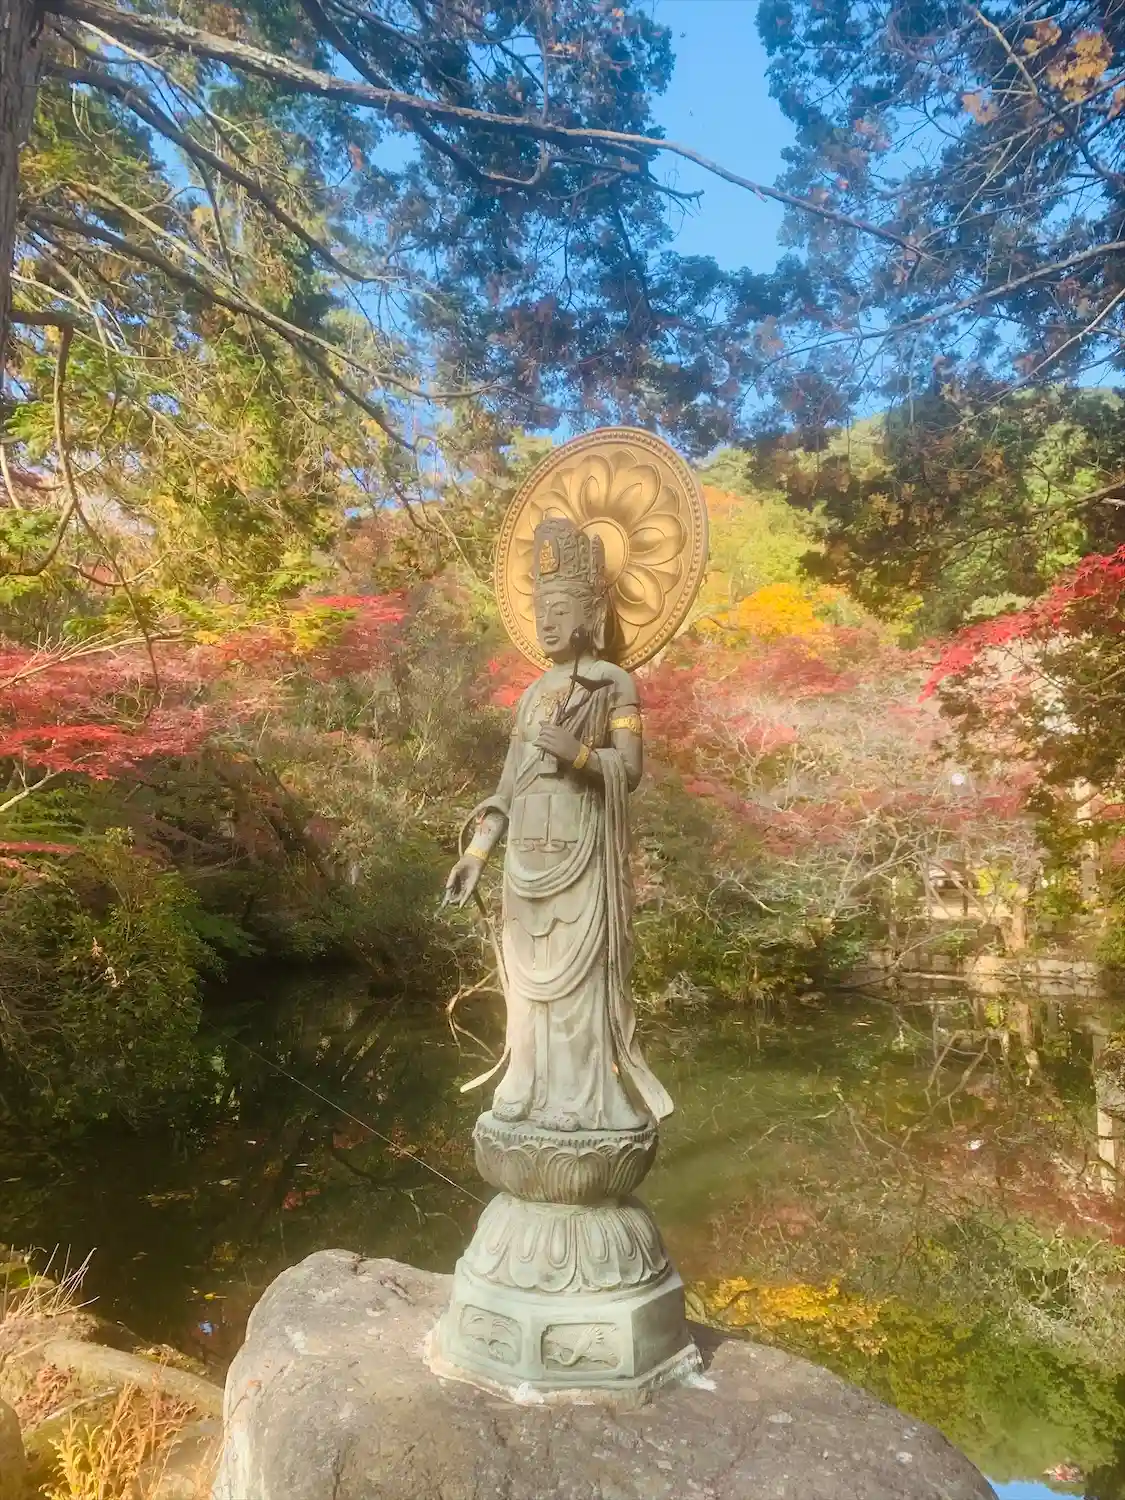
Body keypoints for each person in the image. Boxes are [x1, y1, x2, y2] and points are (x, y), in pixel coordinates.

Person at [444, 515, 672, 1133]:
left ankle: (581, 1096)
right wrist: (476, 855)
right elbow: (506, 786)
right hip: (525, 855)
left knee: (578, 982)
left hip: (581, 847)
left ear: (591, 611)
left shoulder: (614, 683)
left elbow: (629, 770)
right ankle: (526, 1082)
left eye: (561, 607)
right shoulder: (531, 695)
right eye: (540, 608)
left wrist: (579, 755)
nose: (547, 620)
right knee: (526, 984)